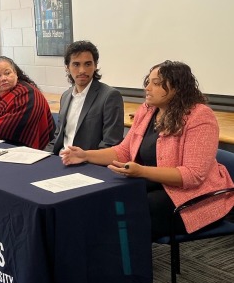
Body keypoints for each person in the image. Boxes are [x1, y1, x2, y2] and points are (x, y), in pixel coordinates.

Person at [61, 60, 234, 240]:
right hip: (156, 183)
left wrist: (141, 171)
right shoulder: (147, 110)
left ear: (177, 87)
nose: (147, 88)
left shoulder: (200, 116)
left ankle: (128, 264)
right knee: (108, 196)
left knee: (131, 210)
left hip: (195, 195)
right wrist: (85, 155)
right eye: (148, 82)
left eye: (156, 83)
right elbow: (124, 151)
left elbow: (193, 175)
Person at [45, 40, 124, 155]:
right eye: (76, 64)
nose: (82, 70)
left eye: (88, 64)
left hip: (88, 164)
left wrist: (86, 159)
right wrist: (42, 156)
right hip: (60, 159)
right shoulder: (66, 96)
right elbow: (58, 138)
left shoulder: (109, 96)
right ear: (67, 67)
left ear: (95, 65)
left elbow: (110, 144)